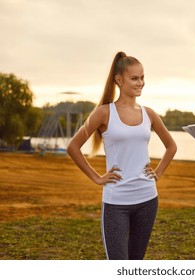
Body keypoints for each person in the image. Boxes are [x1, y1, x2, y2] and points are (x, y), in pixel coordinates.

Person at [67, 52, 177, 260]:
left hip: (148, 199)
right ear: (119, 80)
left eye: (143, 77)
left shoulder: (149, 114)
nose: (141, 83)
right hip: (116, 202)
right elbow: (73, 147)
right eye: (135, 78)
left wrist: (158, 172)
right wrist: (97, 177)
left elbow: (171, 146)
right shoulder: (104, 113)